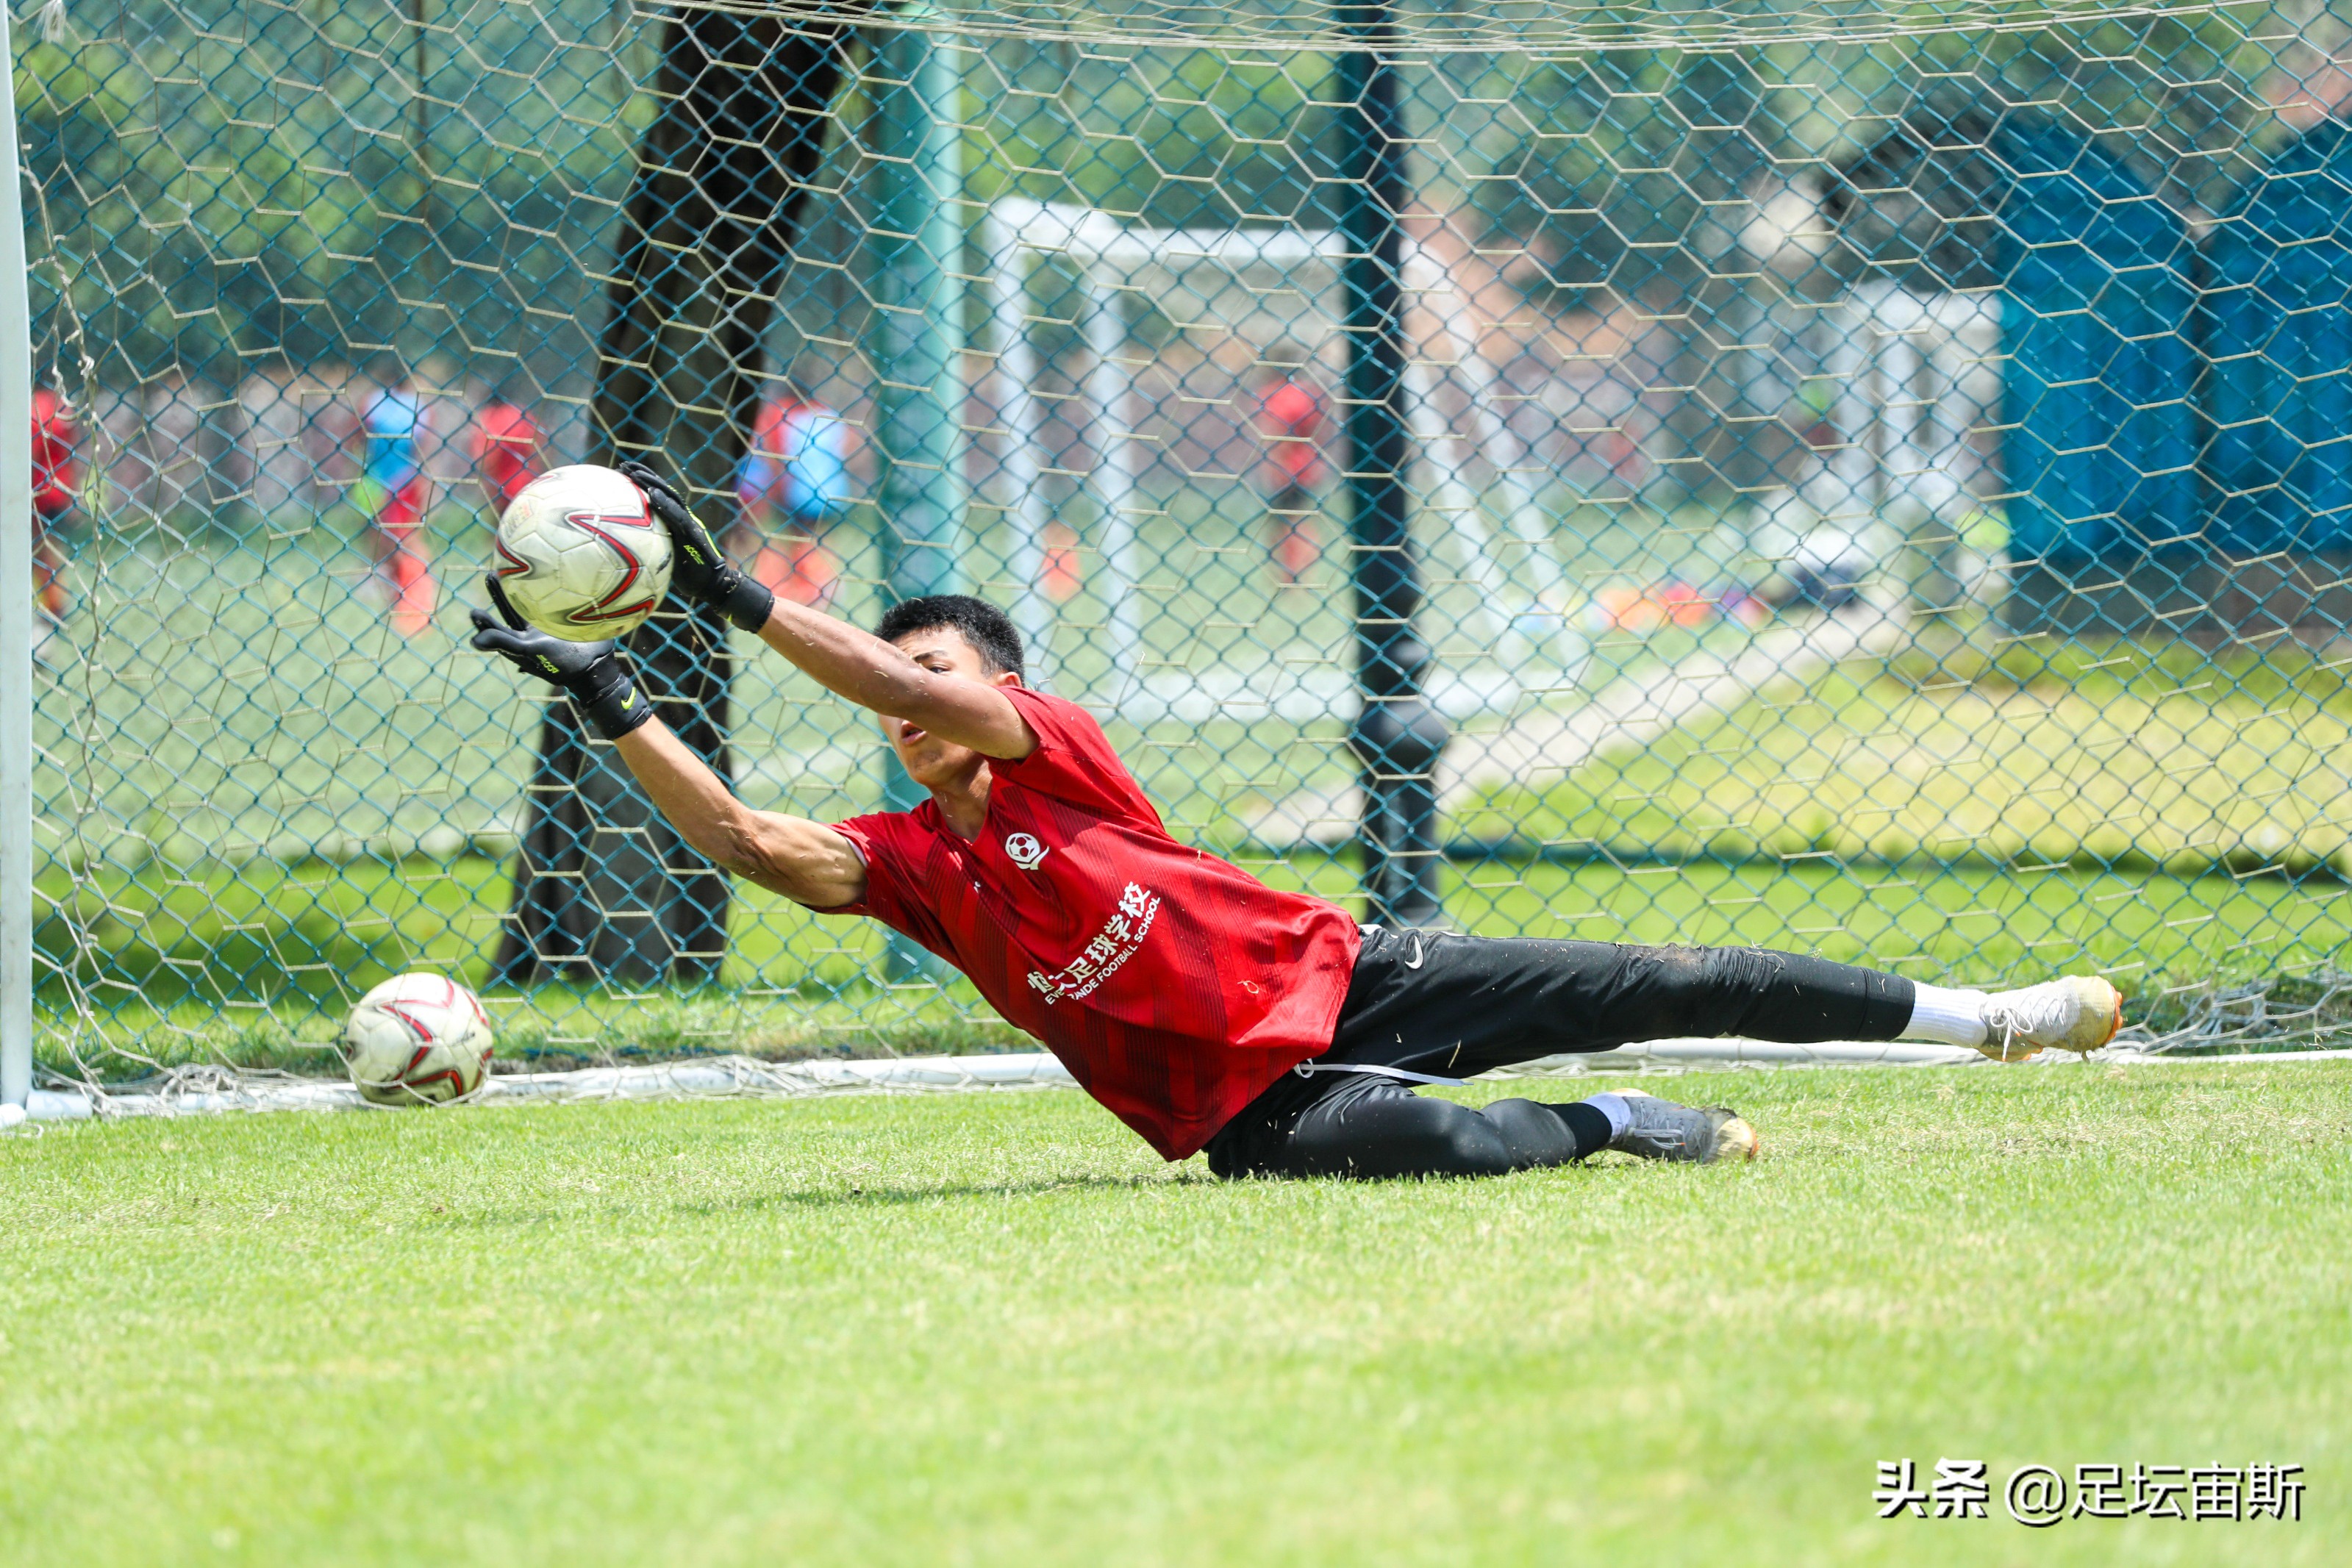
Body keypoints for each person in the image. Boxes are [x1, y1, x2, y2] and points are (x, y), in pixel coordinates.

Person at [468, 462, 2125, 1179]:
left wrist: (729, 586)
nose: (907, 691)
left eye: (934, 664)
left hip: (1355, 976)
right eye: (887, 669)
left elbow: (890, 680)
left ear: (995, 685)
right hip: (1245, 1112)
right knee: (1456, 1144)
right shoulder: (916, 864)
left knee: (1676, 965)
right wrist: (607, 693)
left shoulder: (1052, 754)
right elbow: (758, 844)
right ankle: (1629, 1127)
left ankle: (1991, 1018)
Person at [734, 388, 851, 609]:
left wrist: (777, 488)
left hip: (799, 491)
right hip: (830, 490)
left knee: (795, 540)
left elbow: (777, 453)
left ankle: (810, 588)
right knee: (819, 539)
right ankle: (824, 586)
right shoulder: (830, 416)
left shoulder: (786, 416)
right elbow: (844, 448)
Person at [357, 374, 436, 637]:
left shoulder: (372, 402)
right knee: (405, 535)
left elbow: (359, 436)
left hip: (378, 476)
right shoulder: (418, 406)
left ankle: (395, 583)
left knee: (379, 533)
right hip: (404, 478)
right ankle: (402, 584)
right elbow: (423, 447)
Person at [1250, 346, 1329, 588]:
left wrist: (1274, 468)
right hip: (1308, 467)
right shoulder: (1308, 394)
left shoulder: (1274, 395)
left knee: (1286, 525)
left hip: (1285, 470)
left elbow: (1276, 436)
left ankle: (1290, 576)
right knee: (1301, 521)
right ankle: (1302, 575)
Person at [30, 384, 77, 667]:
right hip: (55, 489)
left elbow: (32, 448)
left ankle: (55, 608)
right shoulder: (60, 404)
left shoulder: (39, 405)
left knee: (42, 553)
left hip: (39, 494)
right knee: (46, 553)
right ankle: (54, 607)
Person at [472, 391, 542, 515]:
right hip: (525, 478)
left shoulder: (491, 417)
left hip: (502, 481)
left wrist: (486, 475)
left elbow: (487, 454)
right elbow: (538, 440)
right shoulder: (519, 414)